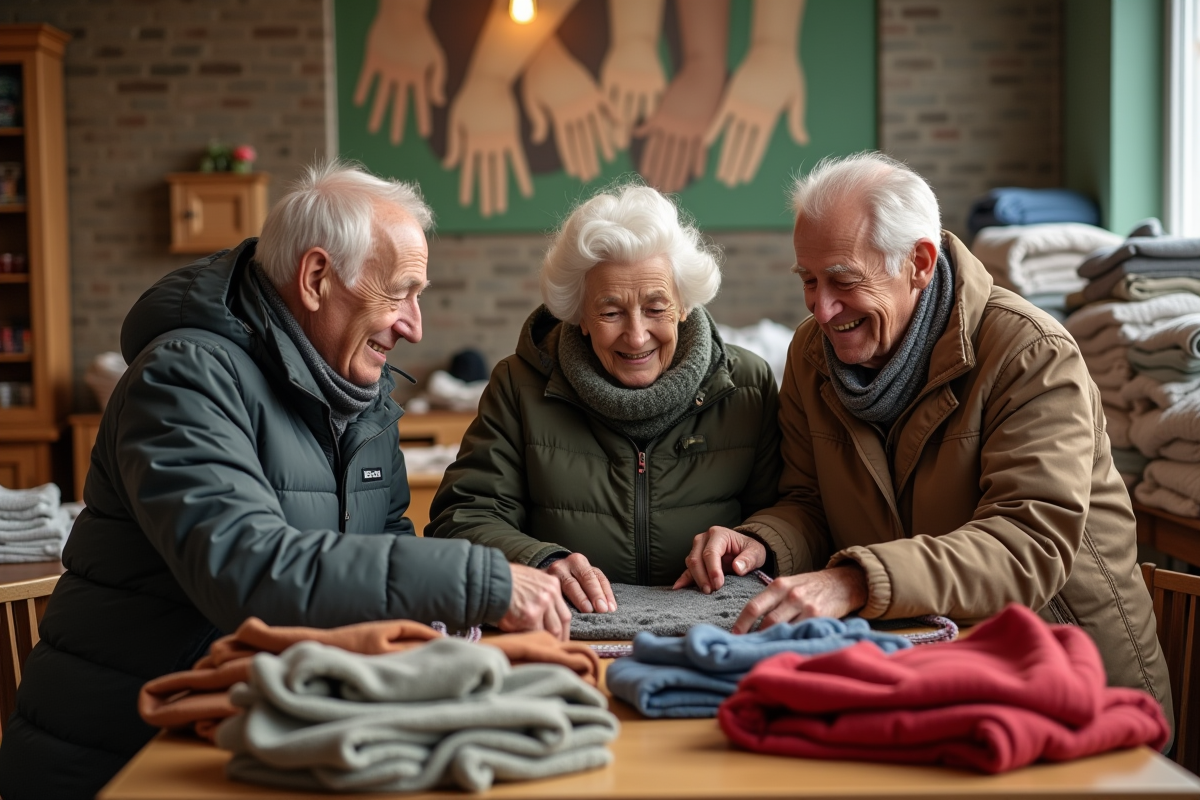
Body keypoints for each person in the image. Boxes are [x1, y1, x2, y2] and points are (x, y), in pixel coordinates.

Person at [0, 162, 570, 800]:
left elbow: (385, 553)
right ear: (317, 277)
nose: (415, 325)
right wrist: (478, 581)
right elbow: (248, 570)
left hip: (265, 735)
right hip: (127, 759)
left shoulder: (362, 398)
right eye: (400, 292)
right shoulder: (184, 377)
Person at [679, 152, 1173, 726]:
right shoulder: (811, 354)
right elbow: (810, 503)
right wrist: (761, 542)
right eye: (809, 281)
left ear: (918, 262)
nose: (820, 306)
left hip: (1077, 688)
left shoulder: (1032, 355)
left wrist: (856, 580)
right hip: (933, 674)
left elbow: (1028, 543)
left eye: (842, 280)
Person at [427, 184, 782, 613]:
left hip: (715, 629)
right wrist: (539, 560)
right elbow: (461, 518)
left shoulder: (747, 385)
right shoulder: (518, 386)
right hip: (567, 635)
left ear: (684, 304)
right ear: (578, 315)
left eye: (655, 308)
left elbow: (789, 514)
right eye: (611, 312)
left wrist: (758, 540)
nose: (636, 336)